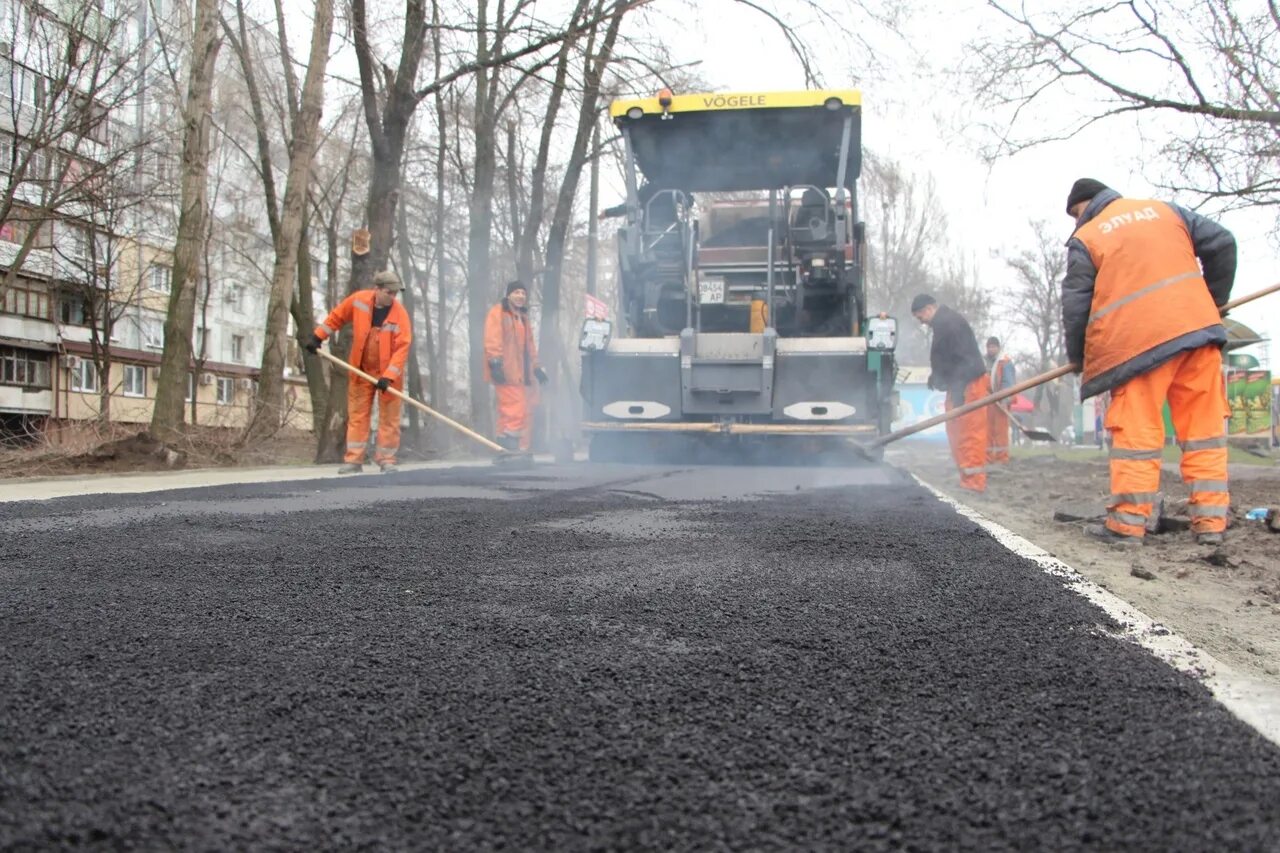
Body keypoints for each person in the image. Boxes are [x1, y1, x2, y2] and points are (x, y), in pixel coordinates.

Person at [1062, 178, 1236, 547]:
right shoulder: (1165, 210)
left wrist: (1078, 358)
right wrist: (1213, 303)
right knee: (1204, 434)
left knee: (1136, 435)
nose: (1076, 222)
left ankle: (1126, 527)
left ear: (1083, 206)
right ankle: (1210, 525)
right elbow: (1222, 243)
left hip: (1137, 346)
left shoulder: (1089, 236)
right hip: (1199, 333)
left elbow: (1076, 306)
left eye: (1075, 214)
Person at [306, 270, 412, 474]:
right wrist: (318, 337)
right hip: (361, 369)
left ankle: (387, 459)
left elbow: (402, 348)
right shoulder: (359, 301)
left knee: (389, 419)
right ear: (377, 289)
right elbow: (336, 317)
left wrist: (388, 376)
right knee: (358, 416)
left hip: (388, 376)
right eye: (389, 293)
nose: (393, 297)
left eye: (395, 293)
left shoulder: (400, 315)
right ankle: (354, 460)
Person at [912, 293, 990, 492]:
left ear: (928, 309)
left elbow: (965, 360)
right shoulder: (942, 324)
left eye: (920, 316)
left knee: (969, 433)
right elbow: (947, 357)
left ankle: (974, 482)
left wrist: (958, 390)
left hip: (968, 384)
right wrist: (936, 375)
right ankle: (966, 478)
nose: (921, 321)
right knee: (955, 431)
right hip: (958, 384)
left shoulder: (951, 324)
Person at [484, 280, 547, 451]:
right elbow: (492, 339)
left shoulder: (523, 318)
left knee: (521, 411)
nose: (520, 296)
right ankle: (511, 448)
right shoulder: (498, 313)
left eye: (523, 293)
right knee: (515, 410)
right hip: (505, 371)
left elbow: (530, 347)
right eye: (517, 292)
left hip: (521, 374)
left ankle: (511, 450)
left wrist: (537, 368)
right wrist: (495, 362)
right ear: (508, 295)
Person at [985, 336, 1015, 463]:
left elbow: (1008, 383)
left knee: (1001, 430)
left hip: (1001, 400)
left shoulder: (1005, 362)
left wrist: (1005, 400)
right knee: (987, 430)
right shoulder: (984, 361)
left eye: (993, 347)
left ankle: (1002, 457)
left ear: (998, 348)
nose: (991, 349)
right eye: (989, 347)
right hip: (987, 400)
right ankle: (988, 457)